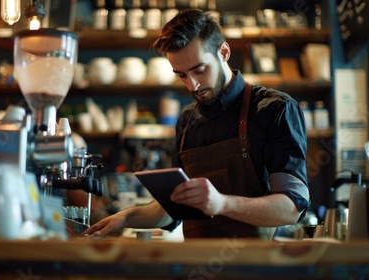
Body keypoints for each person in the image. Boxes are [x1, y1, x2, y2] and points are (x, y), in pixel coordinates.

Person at [82, 8, 310, 240]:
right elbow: (171, 209)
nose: (193, 86)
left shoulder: (275, 109)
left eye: (199, 70)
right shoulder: (186, 121)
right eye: (181, 75)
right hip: (195, 264)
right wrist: (127, 217)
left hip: (254, 267)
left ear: (224, 52)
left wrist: (221, 203)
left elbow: (291, 207)